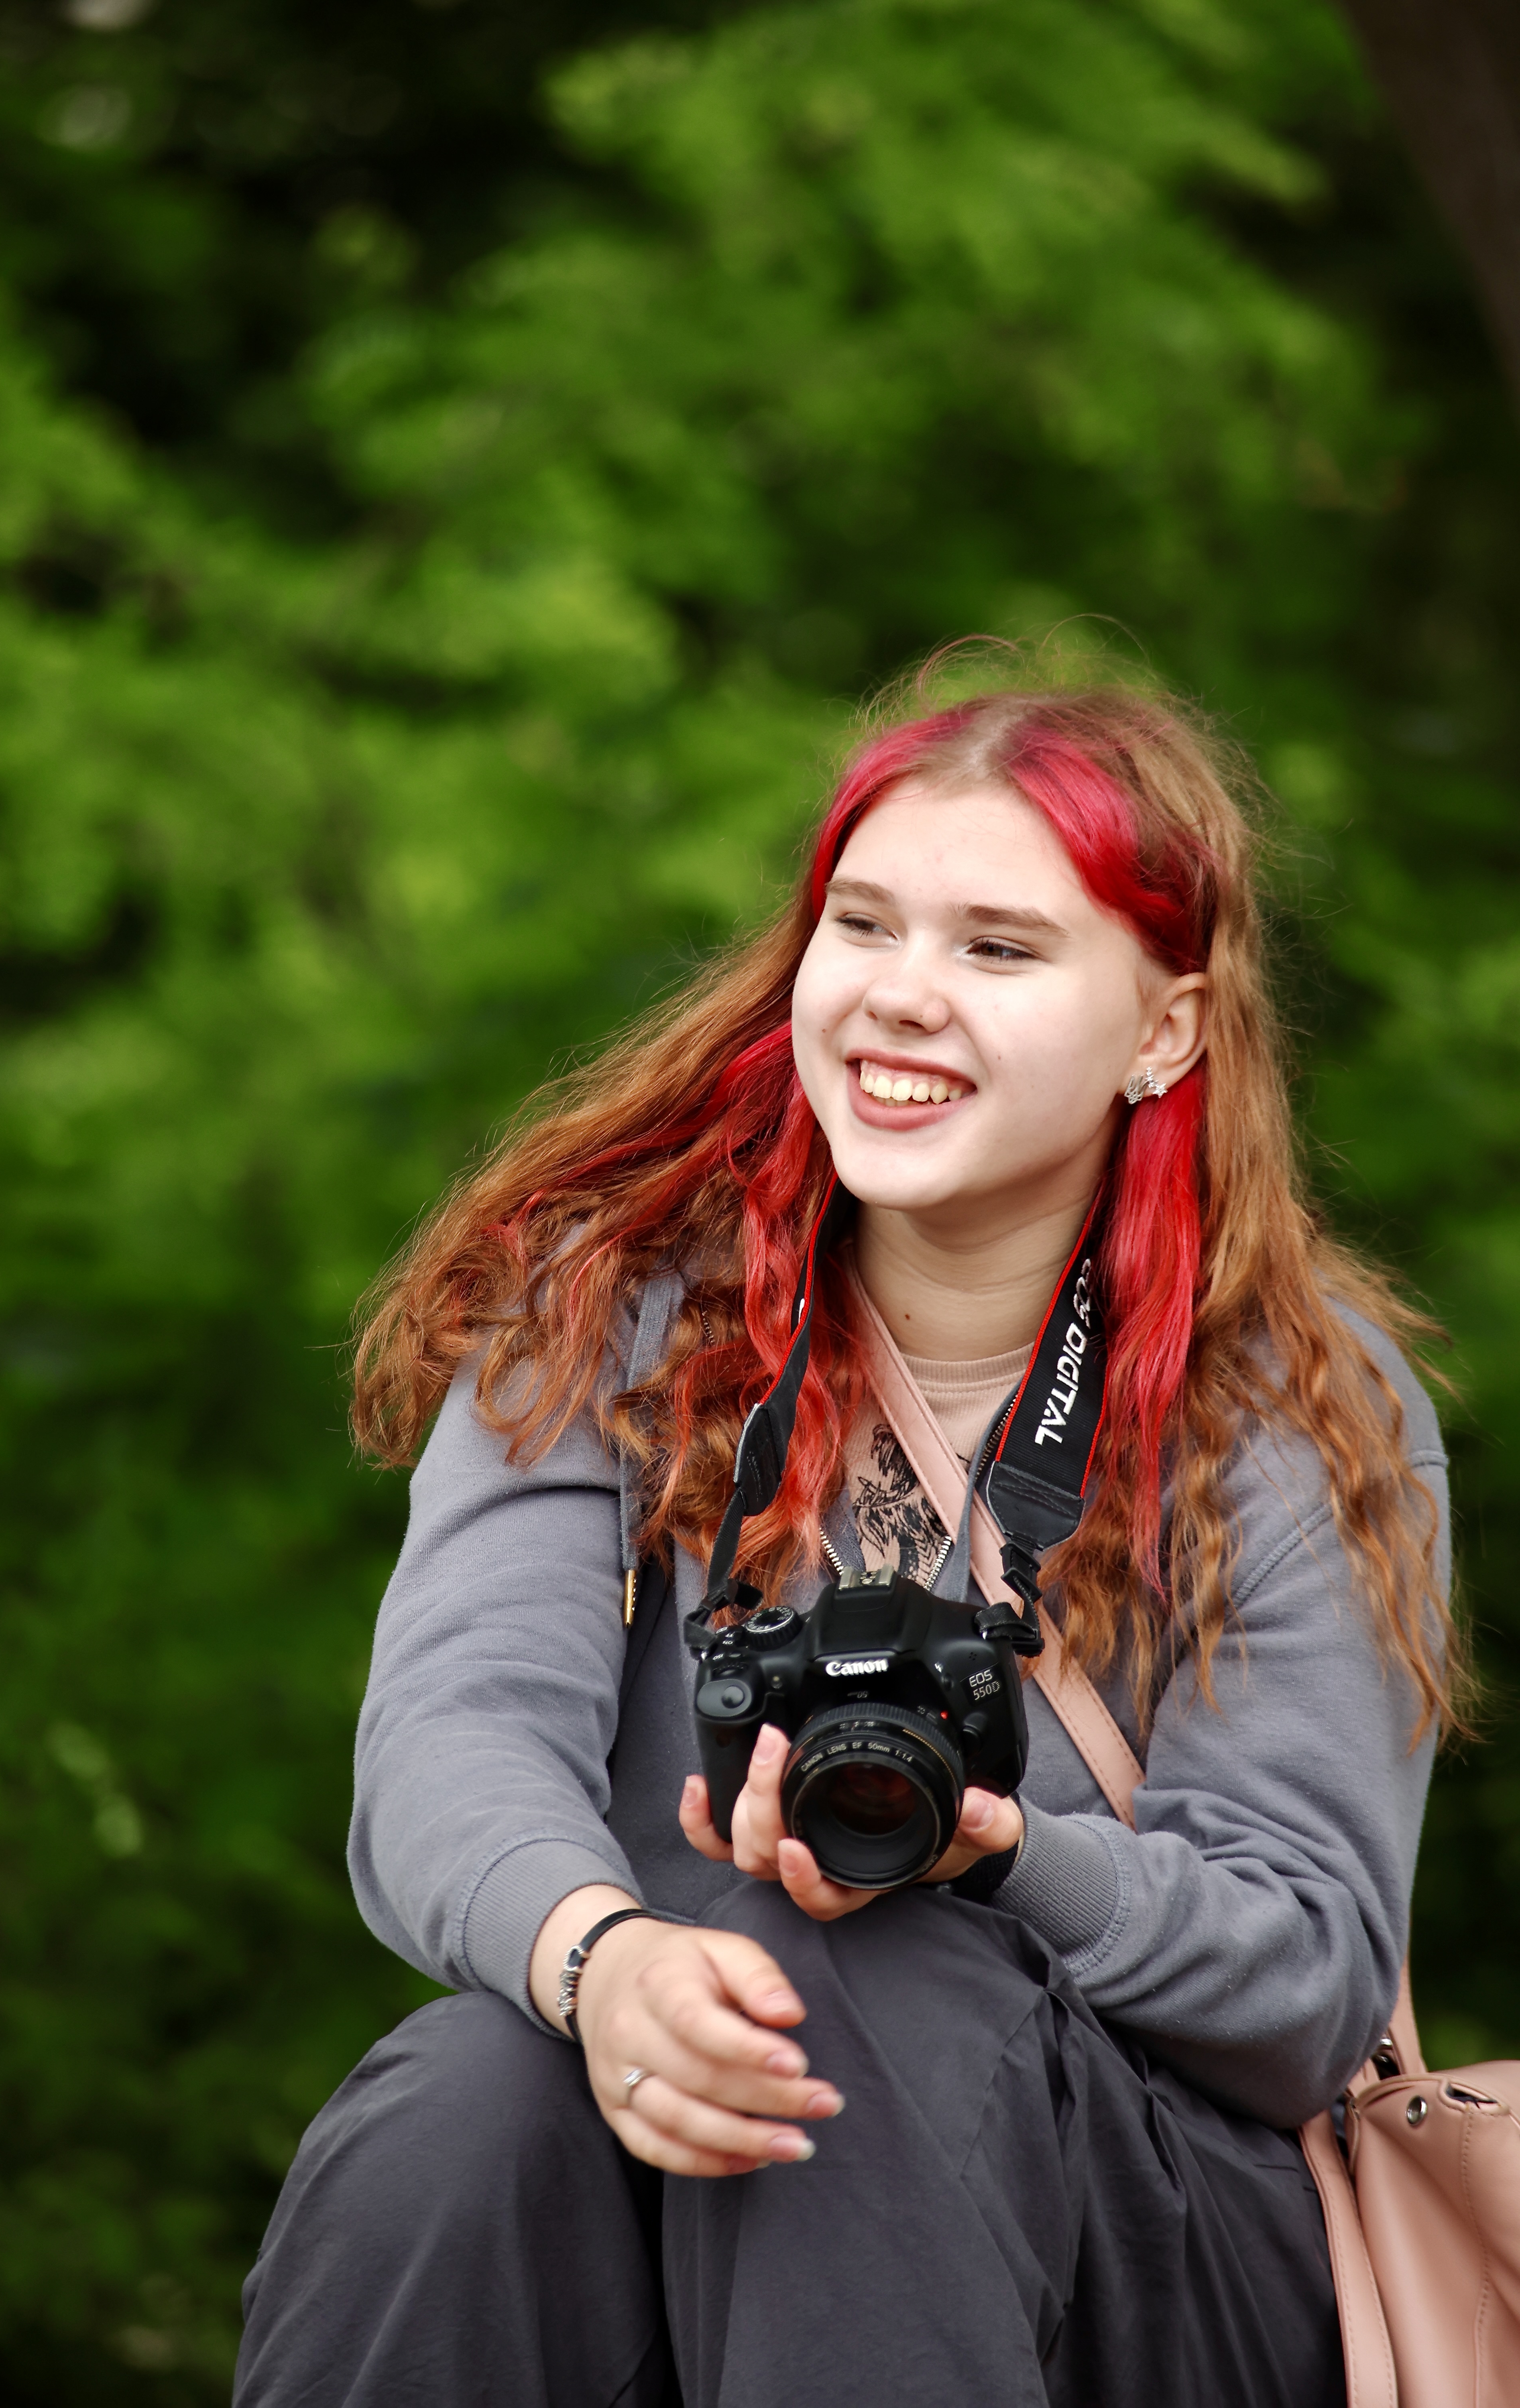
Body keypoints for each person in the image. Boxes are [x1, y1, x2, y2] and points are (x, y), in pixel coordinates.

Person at [233, 678, 1459, 2408]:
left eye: (999, 949)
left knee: (854, 1962)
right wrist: (607, 1961)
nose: (900, 991)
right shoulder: (614, 1311)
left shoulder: (1288, 1399)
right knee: (466, 2106)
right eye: (862, 924)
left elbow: (1305, 1975)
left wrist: (990, 1855)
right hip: (671, 2145)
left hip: (1148, 2251)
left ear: (1164, 1032)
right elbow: (453, 1743)